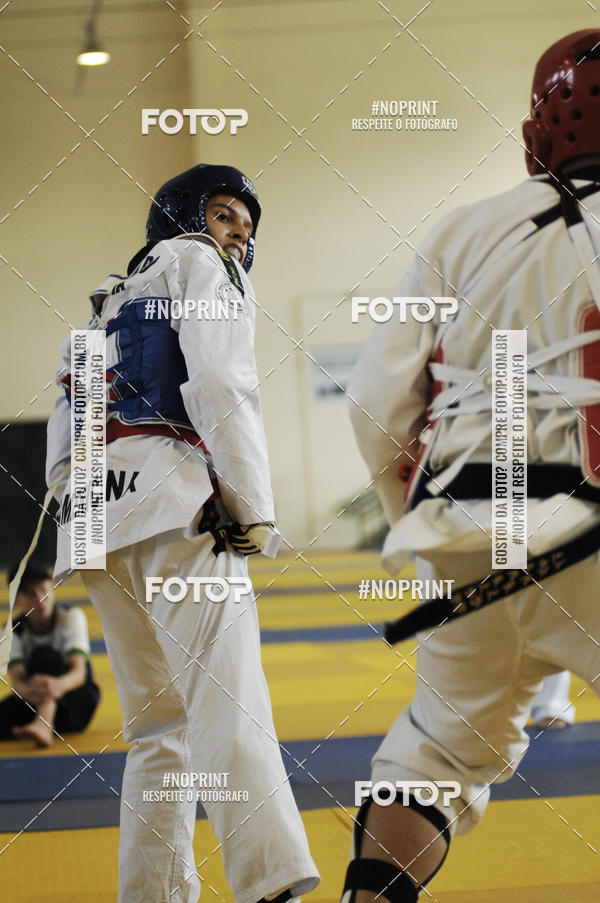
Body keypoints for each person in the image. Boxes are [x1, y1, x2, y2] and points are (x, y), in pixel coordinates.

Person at [343, 31, 600, 902]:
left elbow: (375, 409)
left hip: (465, 518)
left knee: (438, 753)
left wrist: (411, 509)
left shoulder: (464, 227)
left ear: (541, 123)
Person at [46, 164, 319, 903]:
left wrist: (66, 530)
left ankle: (154, 893)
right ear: (184, 215)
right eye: (226, 213)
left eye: (246, 226)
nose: (238, 233)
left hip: (97, 520)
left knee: (158, 727)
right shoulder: (202, 262)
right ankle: (272, 885)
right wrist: (252, 507)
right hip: (172, 503)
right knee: (225, 702)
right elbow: (222, 383)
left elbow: (62, 440)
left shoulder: (106, 303)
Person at [0, 562, 99, 747]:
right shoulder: (11, 631)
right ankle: (39, 724)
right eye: (31, 594)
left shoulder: (70, 617)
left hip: (74, 702)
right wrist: (30, 690)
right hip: (33, 702)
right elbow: (18, 683)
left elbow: (79, 674)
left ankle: (43, 722)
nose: (40, 599)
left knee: (45, 656)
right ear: (16, 600)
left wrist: (57, 686)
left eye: (44, 590)